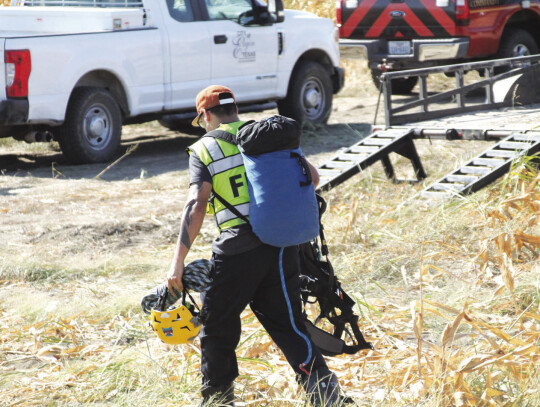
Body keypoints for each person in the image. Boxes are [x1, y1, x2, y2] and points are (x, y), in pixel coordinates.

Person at [167, 85, 342, 407]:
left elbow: (197, 205)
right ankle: (326, 394)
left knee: (217, 326)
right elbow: (313, 178)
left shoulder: (204, 148)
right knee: (287, 323)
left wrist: (177, 261)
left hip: (236, 249)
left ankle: (218, 399)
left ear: (205, 115)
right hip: (280, 245)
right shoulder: (268, 136)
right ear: (235, 109)